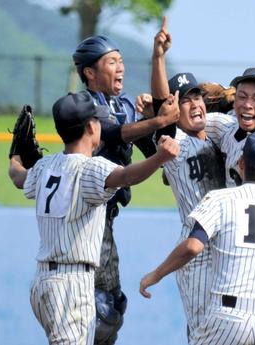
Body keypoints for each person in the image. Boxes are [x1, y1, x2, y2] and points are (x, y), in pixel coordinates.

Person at [8, 91, 179, 345]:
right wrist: (159, 158)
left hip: (43, 283)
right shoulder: (91, 167)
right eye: (98, 120)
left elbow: (18, 177)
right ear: (91, 127)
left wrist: (15, 157)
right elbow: (126, 176)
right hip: (71, 285)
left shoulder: (46, 166)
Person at [140, 131, 255, 345]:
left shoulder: (221, 199)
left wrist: (156, 274)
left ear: (241, 163)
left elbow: (193, 247)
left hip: (229, 317)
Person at [72, 34, 180, 344]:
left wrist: (155, 121)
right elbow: (113, 132)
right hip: (86, 213)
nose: (120, 68)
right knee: (103, 306)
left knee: (111, 304)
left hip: (107, 213)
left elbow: (150, 147)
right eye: (111, 62)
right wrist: (154, 120)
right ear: (90, 73)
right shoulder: (82, 104)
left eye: (121, 61)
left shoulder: (124, 104)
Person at [149, 17, 233, 338]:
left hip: (228, 248)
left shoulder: (218, 132)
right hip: (195, 256)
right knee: (204, 335)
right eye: (183, 99)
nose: (193, 102)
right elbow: (160, 105)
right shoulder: (174, 142)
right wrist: (159, 56)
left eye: (196, 96)